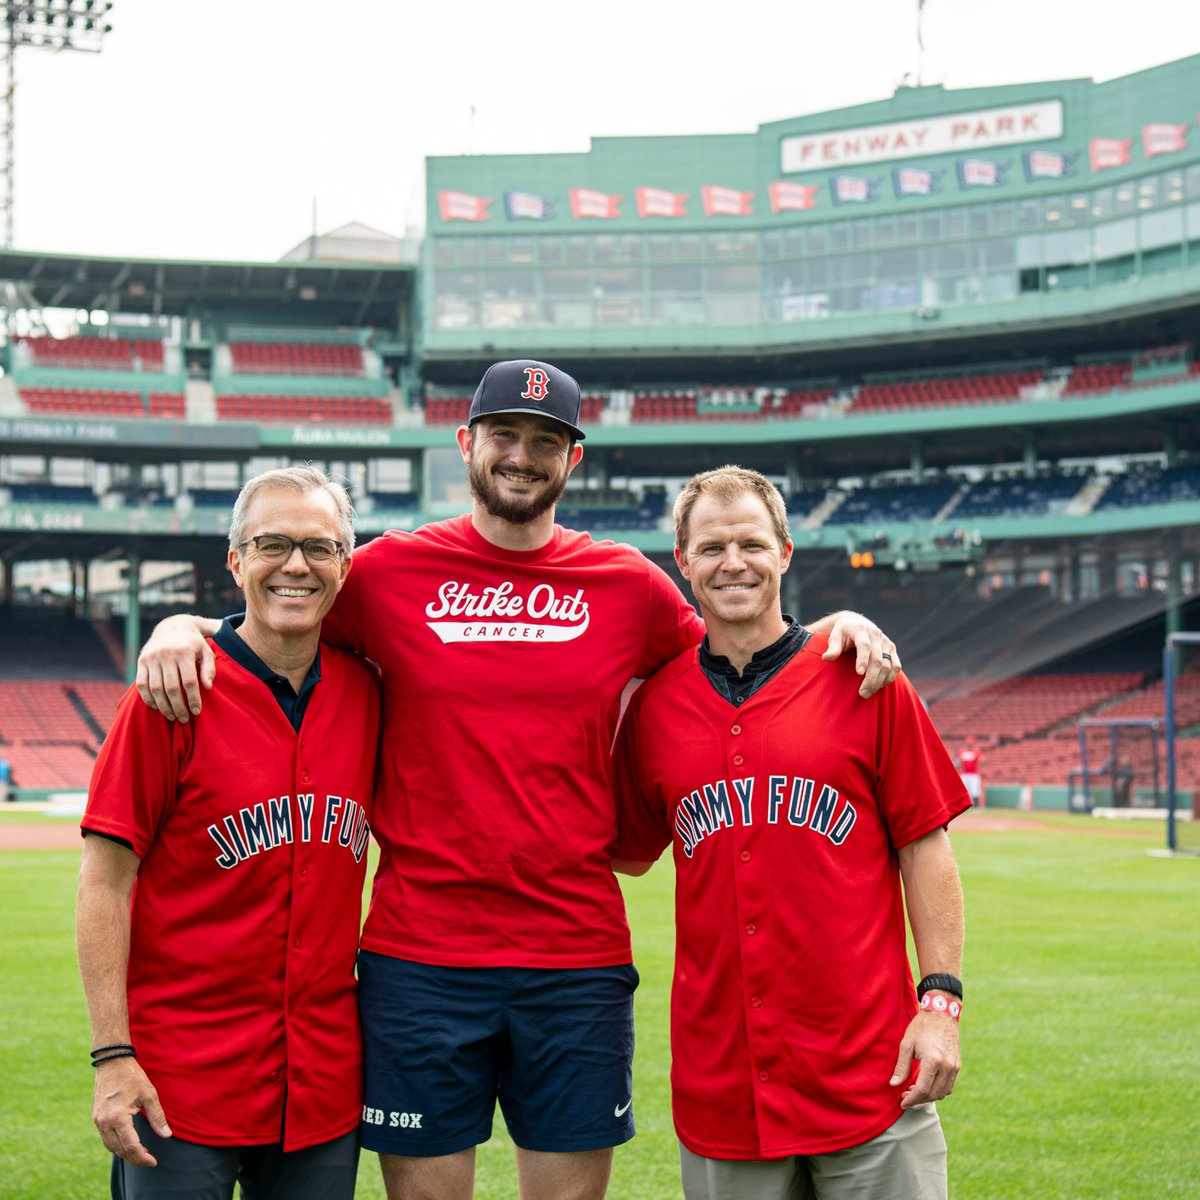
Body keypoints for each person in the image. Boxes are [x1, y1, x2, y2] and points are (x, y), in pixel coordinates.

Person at [133, 361, 902, 1200]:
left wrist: (835, 622)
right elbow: (282, 605)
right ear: (468, 443)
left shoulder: (630, 587)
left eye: (546, 441)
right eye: (504, 435)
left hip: (574, 954)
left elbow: (744, 635)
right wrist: (186, 623)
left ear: (573, 460)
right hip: (419, 955)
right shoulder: (388, 573)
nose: (522, 455)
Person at [612, 465, 969, 1200]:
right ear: (681, 561)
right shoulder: (656, 710)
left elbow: (925, 848)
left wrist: (940, 1005)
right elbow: (624, 851)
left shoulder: (866, 679)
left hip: (873, 1076)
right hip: (724, 1086)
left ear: (785, 552)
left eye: (750, 543)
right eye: (711, 548)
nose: (732, 562)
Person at [76, 466, 381, 1200]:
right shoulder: (168, 697)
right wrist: (112, 1056)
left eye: (319, 547)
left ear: (346, 564)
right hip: (182, 1084)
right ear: (236, 560)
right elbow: (104, 881)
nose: (297, 565)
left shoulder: (371, 692)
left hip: (321, 1085)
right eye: (271, 544)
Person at [958, 735, 983, 806]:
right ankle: (961, 806)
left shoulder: (977, 751)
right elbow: (959, 762)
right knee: (962, 791)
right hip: (964, 774)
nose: (969, 744)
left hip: (974, 774)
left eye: (971, 743)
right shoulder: (962, 751)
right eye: (968, 743)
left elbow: (982, 760)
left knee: (975, 790)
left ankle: (976, 807)